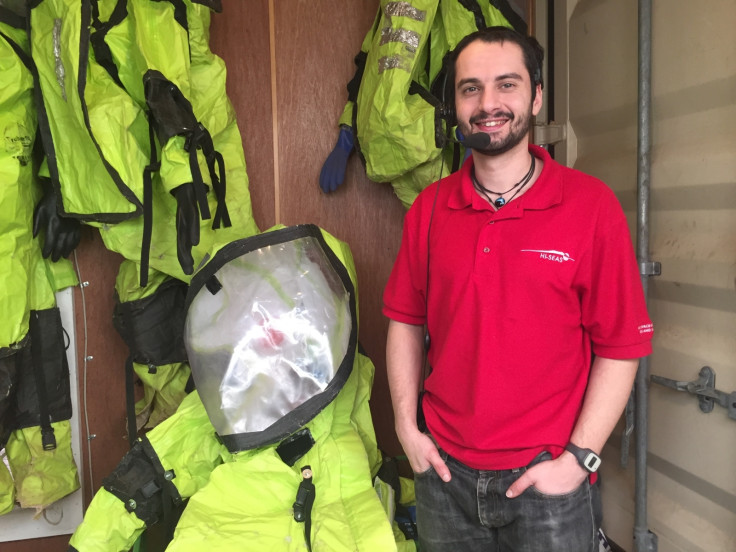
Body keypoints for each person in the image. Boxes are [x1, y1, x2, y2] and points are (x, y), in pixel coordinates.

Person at [383, 26, 653, 551]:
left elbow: (622, 346)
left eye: (507, 84)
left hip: (547, 481)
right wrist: (405, 430)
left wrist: (579, 459)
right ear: (456, 105)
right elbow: (405, 322)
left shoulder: (590, 206)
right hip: (444, 476)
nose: (488, 103)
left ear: (536, 96)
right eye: (470, 89)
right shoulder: (430, 209)